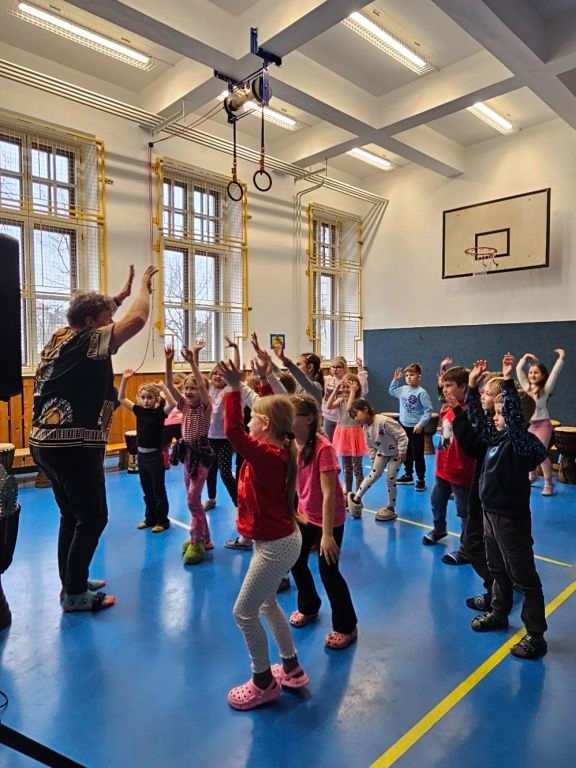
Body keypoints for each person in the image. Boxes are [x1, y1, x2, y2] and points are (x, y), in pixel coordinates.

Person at [30, 264, 157, 612]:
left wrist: (120, 295)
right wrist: (144, 289)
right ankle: (74, 594)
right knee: (93, 517)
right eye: (106, 318)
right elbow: (137, 320)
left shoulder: (62, 336)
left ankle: (71, 582)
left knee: (71, 516)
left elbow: (98, 312)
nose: (110, 322)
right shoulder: (88, 341)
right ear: (91, 323)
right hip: (72, 447)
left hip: (45, 445)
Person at [218, 360, 308, 711]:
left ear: (265, 425)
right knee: (267, 603)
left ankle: (263, 682)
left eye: (252, 418)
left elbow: (232, 432)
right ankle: (291, 666)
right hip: (277, 541)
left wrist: (233, 388)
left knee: (243, 613)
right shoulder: (276, 448)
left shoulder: (268, 454)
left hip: (275, 546)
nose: (248, 421)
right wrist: (262, 382)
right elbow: (268, 412)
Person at [466, 353, 549, 660]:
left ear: (516, 418)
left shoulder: (524, 444)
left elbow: (513, 421)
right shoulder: (497, 438)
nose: (496, 417)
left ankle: (536, 635)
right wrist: (472, 391)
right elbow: (478, 420)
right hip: (490, 516)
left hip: (511, 521)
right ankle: (499, 613)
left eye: (501, 413)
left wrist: (509, 385)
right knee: (497, 569)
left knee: (524, 578)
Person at [289, 394, 358, 649]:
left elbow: (329, 494)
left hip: (329, 518)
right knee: (296, 561)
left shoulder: (323, 448)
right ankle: (309, 606)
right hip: (305, 514)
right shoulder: (291, 444)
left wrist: (327, 536)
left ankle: (347, 626)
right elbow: (293, 484)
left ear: (308, 419)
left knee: (328, 571)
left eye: (291, 415)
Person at [448, 364, 503, 610]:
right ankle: (501, 586)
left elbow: (473, 444)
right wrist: (471, 387)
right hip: (488, 493)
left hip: (490, 497)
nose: (482, 396)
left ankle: (496, 590)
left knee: (475, 543)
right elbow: (475, 420)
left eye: (487, 393)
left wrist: (458, 410)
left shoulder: (496, 428)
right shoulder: (495, 422)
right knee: (495, 544)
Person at [164, 343, 214, 565]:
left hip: (201, 455)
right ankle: (206, 538)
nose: (189, 391)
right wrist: (168, 362)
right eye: (186, 388)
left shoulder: (204, 407)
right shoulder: (184, 406)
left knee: (193, 499)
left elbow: (202, 386)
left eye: (193, 388)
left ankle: (196, 539)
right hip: (187, 455)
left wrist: (193, 362)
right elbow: (169, 385)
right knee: (192, 498)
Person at [422, 366, 476, 566]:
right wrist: (443, 373)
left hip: (461, 471)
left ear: (463, 387)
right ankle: (439, 529)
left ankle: (467, 550)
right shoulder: (447, 407)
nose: (445, 390)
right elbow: (441, 396)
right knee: (437, 501)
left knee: (464, 512)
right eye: (443, 386)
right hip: (443, 468)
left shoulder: (470, 409)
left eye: (449, 385)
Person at [118, 370, 175, 532]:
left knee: (158, 491)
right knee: (147, 490)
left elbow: (172, 404)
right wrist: (124, 380)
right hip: (141, 457)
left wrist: (163, 387)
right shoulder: (139, 411)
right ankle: (150, 518)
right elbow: (121, 398)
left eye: (150, 397)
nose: (146, 400)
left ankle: (162, 521)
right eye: (143, 397)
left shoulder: (159, 413)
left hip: (155, 457)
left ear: (156, 400)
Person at [347, 398, 408, 521]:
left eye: (356, 415)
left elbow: (402, 435)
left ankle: (391, 507)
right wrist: (373, 459)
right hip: (382, 453)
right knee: (372, 475)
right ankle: (356, 498)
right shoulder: (365, 427)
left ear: (365, 409)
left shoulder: (383, 421)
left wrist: (402, 451)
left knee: (390, 480)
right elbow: (370, 445)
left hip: (396, 454)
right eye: (353, 417)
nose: (355, 419)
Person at [516, 348, 566, 496]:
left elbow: (555, 373)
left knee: (541, 454)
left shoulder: (546, 388)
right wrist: (524, 358)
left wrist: (561, 358)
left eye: (536, 373)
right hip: (529, 425)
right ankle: (533, 475)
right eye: (530, 372)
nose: (532, 375)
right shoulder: (526, 387)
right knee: (529, 451)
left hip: (542, 425)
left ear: (543, 375)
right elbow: (519, 370)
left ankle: (549, 483)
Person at [200, 337, 240, 512]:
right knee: (210, 470)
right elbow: (197, 376)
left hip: (225, 438)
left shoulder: (228, 389)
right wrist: (196, 353)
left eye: (221, 374)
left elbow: (235, 371)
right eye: (215, 373)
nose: (218, 376)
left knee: (225, 473)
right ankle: (211, 498)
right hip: (209, 437)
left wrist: (236, 349)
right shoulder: (208, 388)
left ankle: (239, 504)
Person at [389, 363, 433, 491]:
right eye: (407, 375)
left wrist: (421, 424)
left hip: (416, 428)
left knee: (417, 454)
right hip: (404, 426)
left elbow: (428, 410)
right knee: (406, 452)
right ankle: (408, 475)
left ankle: (421, 479)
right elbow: (392, 391)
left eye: (412, 374)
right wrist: (396, 380)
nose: (409, 377)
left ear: (419, 376)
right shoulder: (402, 389)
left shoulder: (421, 393)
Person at [325, 374, 368, 501]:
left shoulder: (359, 401)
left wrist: (353, 391)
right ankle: (348, 494)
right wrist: (336, 389)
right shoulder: (341, 399)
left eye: (348, 386)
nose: (345, 389)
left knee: (357, 468)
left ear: (356, 387)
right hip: (343, 434)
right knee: (347, 468)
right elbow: (328, 406)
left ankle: (358, 495)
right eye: (344, 386)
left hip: (355, 435)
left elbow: (350, 409)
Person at [323, 357, 368, 442]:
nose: (334, 369)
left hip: (347, 422)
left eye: (338, 367)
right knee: (329, 442)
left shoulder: (349, 380)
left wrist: (360, 368)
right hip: (329, 418)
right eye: (333, 367)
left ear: (344, 368)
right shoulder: (328, 379)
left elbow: (363, 388)